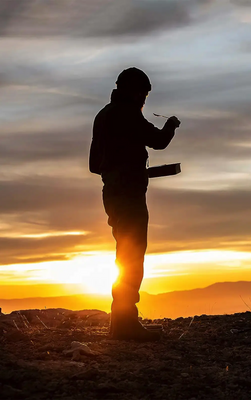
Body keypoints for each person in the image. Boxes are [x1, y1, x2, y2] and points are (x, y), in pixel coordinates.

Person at [89, 67, 180, 341]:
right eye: (144, 93)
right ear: (134, 90)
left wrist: (126, 168)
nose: (144, 99)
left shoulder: (103, 115)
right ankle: (126, 323)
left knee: (125, 252)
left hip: (112, 193)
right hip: (128, 195)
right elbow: (158, 141)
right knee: (131, 255)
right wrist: (172, 125)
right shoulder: (126, 113)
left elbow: (96, 165)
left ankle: (121, 322)